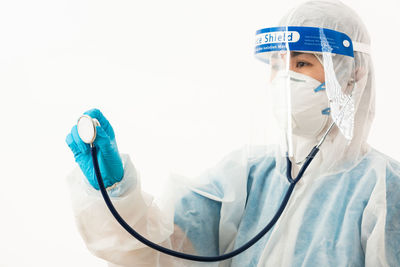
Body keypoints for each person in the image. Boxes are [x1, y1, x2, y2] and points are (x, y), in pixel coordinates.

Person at [65, 1, 400, 266]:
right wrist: (114, 192)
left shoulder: (383, 188)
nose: (284, 79)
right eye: (276, 66)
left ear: (351, 77)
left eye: (301, 64)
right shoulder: (247, 175)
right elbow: (162, 252)